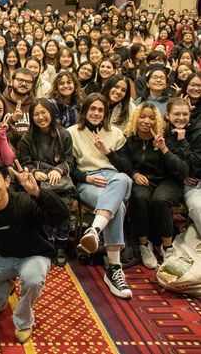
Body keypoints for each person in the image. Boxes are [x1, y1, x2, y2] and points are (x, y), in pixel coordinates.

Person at [0, 160, 70, 344]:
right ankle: (2, 293)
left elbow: (61, 215)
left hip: (33, 255)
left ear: (7, 182)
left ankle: (24, 321)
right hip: (1, 259)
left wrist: (37, 193)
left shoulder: (24, 201)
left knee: (32, 279)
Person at [68, 93, 133, 299]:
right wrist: (86, 178)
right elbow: (69, 168)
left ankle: (94, 230)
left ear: (105, 113)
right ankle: (115, 268)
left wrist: (108, 152)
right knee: (118, 208)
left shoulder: (115, 133)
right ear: (85, 110)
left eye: (100, 110)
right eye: (92, 109)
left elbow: (127, 169)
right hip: (90, 181)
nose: (96, 113)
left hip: (116, 179)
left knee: (122, 179)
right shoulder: (71, 133)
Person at [120, 102, 187, 268]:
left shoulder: (167, 137)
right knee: (139, 197)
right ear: (136, 119)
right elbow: (123, 164)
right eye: (142, 117)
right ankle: (144, 245)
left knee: (160, 200)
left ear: (157, 120)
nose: (146, 121)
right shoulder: (130, 140)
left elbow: (182, 170)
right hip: (143, 180)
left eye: (151, 118)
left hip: (168, 180)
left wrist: (164, 149)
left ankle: (167, 246)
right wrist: (134, 174)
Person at [18, 98, 75, 266]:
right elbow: (24, 162)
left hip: (59, 182)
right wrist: (35, 173)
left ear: (51, 113)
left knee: (62, 204)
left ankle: (61, 245)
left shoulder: (63, 134)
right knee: (39, 205)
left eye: (44, 113)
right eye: (36, 114)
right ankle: (46, 241)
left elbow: (70, 161)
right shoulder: (26, 138)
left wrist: (59, 170)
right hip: (38, 183)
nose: (40, 117)